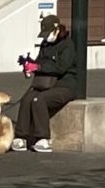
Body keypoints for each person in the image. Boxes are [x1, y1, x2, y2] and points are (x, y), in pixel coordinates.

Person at [9, 14, 83, 154]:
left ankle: (43, 138)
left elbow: (61, 67)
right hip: (46, 84)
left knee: (39, 100)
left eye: (47, 33)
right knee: (27, 99)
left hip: (64, 86)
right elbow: (39, 62)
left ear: (56, 30)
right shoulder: (45, 44)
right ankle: (21, 136)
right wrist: (29, 65)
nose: (45, 37)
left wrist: (39, 67)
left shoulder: (67, 45)